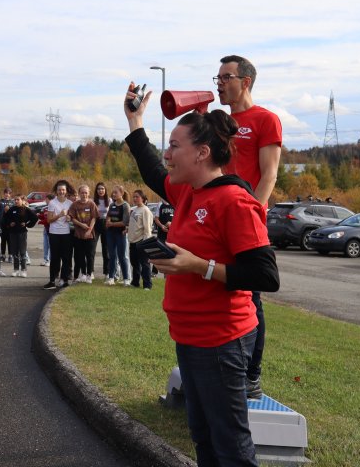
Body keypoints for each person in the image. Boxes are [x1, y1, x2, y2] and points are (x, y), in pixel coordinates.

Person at [124, 83, 279, 466]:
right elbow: (151, 168)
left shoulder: (234, 201)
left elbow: (265, 276)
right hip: (190, 337)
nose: (168, 154)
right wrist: (135, 121)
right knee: (203, 436)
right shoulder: (188, 192)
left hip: (222, 341)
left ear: (203, 153)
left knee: (230, 445)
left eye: (175, 146)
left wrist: (199, 266)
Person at [216, 55, 283, 399]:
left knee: (250, 295)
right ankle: (220, 364)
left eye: (226, 76)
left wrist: (254, 210)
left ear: (245, 82)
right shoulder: (220, 123)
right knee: (217, 289)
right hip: (217, 220)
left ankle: (251, 375)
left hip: (246, 220)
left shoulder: (265, 119)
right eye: (217, 77)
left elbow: (269, 173)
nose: (219, 83)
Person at [43, 180, 74, 290]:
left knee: (66, 257)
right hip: (54, 233)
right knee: (55, 257)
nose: (61, 192)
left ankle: (64, 280)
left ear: (66, 191)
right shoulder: (52, 203)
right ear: (56, 191)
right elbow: (49, 220)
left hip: (66, 233)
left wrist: (69, 218)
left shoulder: (70, 203)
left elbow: (71, 219)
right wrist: (59, 215)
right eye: (59, 190)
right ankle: (52, 281)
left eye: (63, 190)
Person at [2, 194, 38, 277]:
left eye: (18, 200)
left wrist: (27, 224)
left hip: (22, 233)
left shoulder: (26, 210)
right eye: (15, 200)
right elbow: (5, 219)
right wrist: (10, 224)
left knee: (22, 252)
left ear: (23, 200)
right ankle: (16, 270)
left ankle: (23, 270)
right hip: (13, 233)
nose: (16, 201)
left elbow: (35, 218)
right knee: (14, 252)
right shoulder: (12, 209)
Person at [68, 184, 98, 283]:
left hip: (90, 234)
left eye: (86, 192)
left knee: (89, 256)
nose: (84, 194)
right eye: (82, 192)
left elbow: (94, 217)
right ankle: (83, 274)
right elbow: (72, 218)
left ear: (88, 193)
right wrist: (81, 225)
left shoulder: (91, 204)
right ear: (79, 193)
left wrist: (89, 230)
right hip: (78, 234)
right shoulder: (75, 205)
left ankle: (90, 274)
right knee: (80, 256)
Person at [127, 189, 154, 290]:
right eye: (134, 197)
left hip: (142, 240)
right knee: (134, 263)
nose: (135, 198)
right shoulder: (134, 209)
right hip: (132, 241)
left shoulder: (145, 210)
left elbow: (147, 228)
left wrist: (146, 241)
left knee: (144, 263)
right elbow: (133, 224)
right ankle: (135, 282)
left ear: (142, 198)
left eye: (137, 196)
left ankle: (147, 285)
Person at [104, 185, 130, 286]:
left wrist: (112, 224)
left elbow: (125, 222)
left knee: (122, 256)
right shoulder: (112, 205)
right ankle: (111, 278)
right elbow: (108, 216)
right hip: (110, 233)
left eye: (116, 193)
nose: (114, 194)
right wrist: (107, 221)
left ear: (122, 193)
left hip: (120, 233)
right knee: (112, 256)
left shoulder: (125, 205)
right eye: (113, 193)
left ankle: (126, 279)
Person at [153, 198, 175, 276]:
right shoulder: (160, 204)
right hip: (162, 232)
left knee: (170, 252)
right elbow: (156, 219)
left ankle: (168, 272)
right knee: (159, 250)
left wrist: (171, 224)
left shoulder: (174, 204)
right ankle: (154, 271)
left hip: (171, 232)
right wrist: (162, 226)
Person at [93, 182, 110, 278]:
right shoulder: (93, 201)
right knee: (92, 249)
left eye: (102, 189)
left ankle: (107, 272)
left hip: (106, 225)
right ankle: (90, 272)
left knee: (106, 250)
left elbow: (112, 213)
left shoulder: (109, 200)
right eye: (99, 189)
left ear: (105, 190)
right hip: (95, 224)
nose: (100, 190)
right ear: (96, 190)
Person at [0, 188, 15, 263]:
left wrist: (9, 210)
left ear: (10, 194)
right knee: (3, 241)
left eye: (9, 193)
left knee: (10, 241)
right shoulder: (0, 202)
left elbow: (14, 213)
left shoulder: (13, 202)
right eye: (6, 193)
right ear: (4, 193)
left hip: (10, 225)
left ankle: (10, 255)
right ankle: (2, 255)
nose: (7, 194)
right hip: (2, 224)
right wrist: (3, 210)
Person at [37, 194, 52, 266]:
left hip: (51, 229)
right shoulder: (46, 208)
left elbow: (48, 219)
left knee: (50, 245)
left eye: (46, 199)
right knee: (45, 245)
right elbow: (44, 216)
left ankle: (49, 260)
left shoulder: (53, 208)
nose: (45, 201)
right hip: (45, 229)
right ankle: (45, 259)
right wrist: (39, 216)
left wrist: (41, 222)